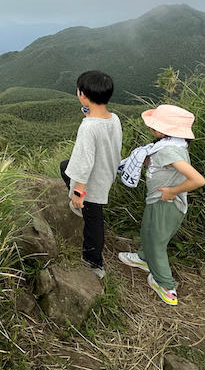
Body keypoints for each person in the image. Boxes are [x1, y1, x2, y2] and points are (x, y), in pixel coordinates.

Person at [118, 104, 205, 306]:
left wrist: (172, 191)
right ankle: (143, 258)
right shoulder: (173, 146)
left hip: (165, 204)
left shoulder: (169, 151)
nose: (150, 128)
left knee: (156, 242)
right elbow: (163, 168)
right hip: (159, 203)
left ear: (163, 130)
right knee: (148, 233)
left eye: (153, 125)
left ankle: (165, 284)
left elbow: (198, 180)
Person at [60, 70, 123, 279]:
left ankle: (94, 263)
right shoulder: (113, 119)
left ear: (83, 95)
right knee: (64, 166)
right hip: (107, 171)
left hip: (92, 183)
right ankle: (83, 207)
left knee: (93, 222)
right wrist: (89, 113)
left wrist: (79, 193)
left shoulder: (88, 128)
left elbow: (84, 161)